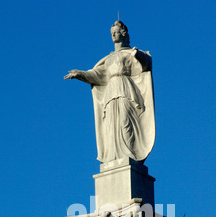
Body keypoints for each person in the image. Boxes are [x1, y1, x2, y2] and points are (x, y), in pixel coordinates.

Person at [64, 21, 155, 163]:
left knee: (125, 121)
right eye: (112, 32)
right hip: (111, 92)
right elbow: (95, 75)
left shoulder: (129, 53)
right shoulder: (108, 60)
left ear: (123, 34)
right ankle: (114, 156)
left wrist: (138, 55)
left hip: (125, 88)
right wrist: (79, 74)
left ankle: (130, 152)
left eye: (117, 32)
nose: (113, 34)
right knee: (112, 124)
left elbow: (145, 65)